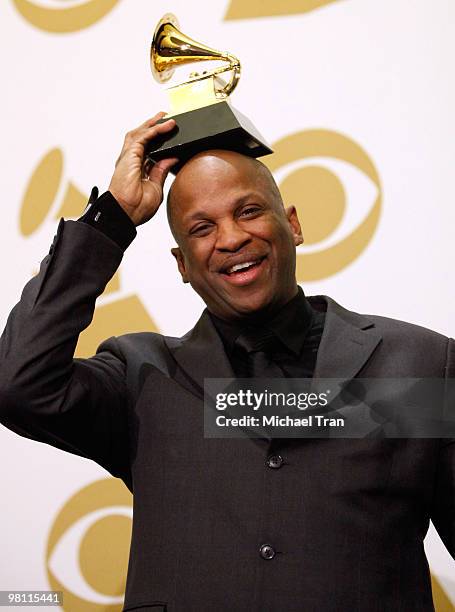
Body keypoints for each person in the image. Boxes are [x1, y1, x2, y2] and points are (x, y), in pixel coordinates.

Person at [0, 112, 454, 612]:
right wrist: (112, 219)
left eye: (249, 211)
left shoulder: (416, 365)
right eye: (201, 228)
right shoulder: (142, 378)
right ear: (182, 264)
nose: (232, 238)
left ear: (293, 225)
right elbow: (19, 385)